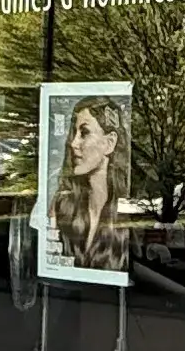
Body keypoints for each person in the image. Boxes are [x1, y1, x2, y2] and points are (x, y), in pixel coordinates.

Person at [51, 93, 131, 277]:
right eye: (74, 133)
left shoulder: (130, 209)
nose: (73, 143)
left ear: (109, 143)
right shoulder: (63, 204)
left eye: (84, 133)